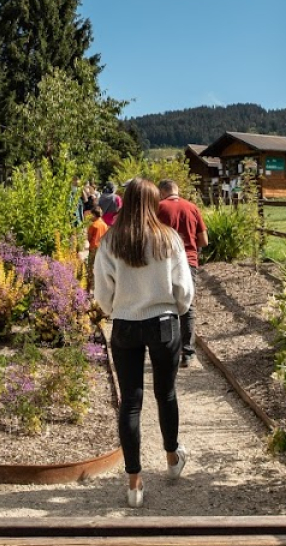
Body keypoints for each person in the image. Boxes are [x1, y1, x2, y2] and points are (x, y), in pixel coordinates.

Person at [93, 178, 193, 508]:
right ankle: (170, 457)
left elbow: (102, 293)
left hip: (125, 323)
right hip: (163, 322)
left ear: (125, 201)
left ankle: (134, 482)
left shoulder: (111, 242)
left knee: (131, 401)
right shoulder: (169, 239)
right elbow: (184, 290)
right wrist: (174, 311)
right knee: (166, 392)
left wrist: (117, 310)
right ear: (153, 202)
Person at [155, 179, 208, 368]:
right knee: (188, 306)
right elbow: (204, 240)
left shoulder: (158, 208)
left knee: (165, 304)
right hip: (189, 260)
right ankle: (188, 352)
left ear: (162, 192)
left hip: (165, 262)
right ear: (177, 190)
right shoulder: (192, 208)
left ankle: (168, 351)